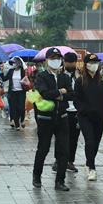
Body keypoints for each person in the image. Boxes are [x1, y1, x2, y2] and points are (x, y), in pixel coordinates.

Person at [32, 47, 73, 191]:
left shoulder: (65, 77)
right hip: (45, 119)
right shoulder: (41, 76)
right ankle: (37, 176)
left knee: (63, 150)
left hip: (62, 117)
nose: (55, 61)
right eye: (53, 58)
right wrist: (60, 92)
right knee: (43, 148)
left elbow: (71, 94)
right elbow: (44, 93)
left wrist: (59, 95)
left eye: (58, 58)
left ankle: (59, 181)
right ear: (47, 61)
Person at [75, 52, 103, 181]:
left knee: (96, 142)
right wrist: (83, 110)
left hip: (99, 116)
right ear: (85, 65)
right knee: (89, 141)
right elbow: (76, 99)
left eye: (96, 63)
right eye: (91, 63)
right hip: (85, 117)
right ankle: (92, 168)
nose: (93, 65)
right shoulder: (80, 81)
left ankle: (89, 162)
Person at [62, 52, 82, 173]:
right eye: (67, 62)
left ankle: (70, 161)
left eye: (72, 63)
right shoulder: (59, 73)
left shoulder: (80, 74)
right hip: (63, 109)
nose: (70, 64)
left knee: (74, 138)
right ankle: (59, 161)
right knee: (61, 137)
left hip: (76, 110)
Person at [3, 57, 28, 130]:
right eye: (13, 63)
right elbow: (5, 78)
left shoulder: (23, 71)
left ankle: (22, 119)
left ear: (19, 63)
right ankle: (17, 125)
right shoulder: (11, 71)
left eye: (15, 62)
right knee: (14, 108)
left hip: (21, 92)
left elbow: (27, 79)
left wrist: (24, 80)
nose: (14, 64)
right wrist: (2, 71)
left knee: (21, 108)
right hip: (12, 92)